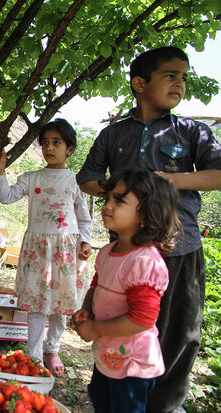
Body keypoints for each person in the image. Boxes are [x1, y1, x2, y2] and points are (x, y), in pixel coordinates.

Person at [76, 46, 221, 412]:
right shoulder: (114, 134)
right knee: (120, 322)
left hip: (180, 249)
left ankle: (164, 406)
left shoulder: (192, 131)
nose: (180, 83)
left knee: (177, 333)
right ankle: (118, 395)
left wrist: (171, 180)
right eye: (170, 75)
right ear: (140, 83)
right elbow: (88, 178)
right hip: (126, 249)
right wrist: (120, 194)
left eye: (184, 77)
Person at [72, 168, 182, 413]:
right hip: (109, 353)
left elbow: (142, 319)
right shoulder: (107, 252)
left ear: (147, 213)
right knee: (101, 399)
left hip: (132, 364)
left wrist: (95, 329)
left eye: (119, 200)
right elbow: (96, 286)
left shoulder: (144, 262)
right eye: (108, 198)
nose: (108, 206)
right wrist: (87, 310)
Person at [0, 118, 93, 377]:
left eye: (56, 142)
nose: (49, 148)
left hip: (66, 251)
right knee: (38, 305)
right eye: (45, 143)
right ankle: (34, 356)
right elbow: (6, 197)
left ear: (69, 149)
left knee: (61, 304)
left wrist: (86, 242)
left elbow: (84, 218)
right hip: (37, 251)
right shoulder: (32, 178)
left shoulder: (76, 182)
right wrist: (0, 172)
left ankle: (53, 349)